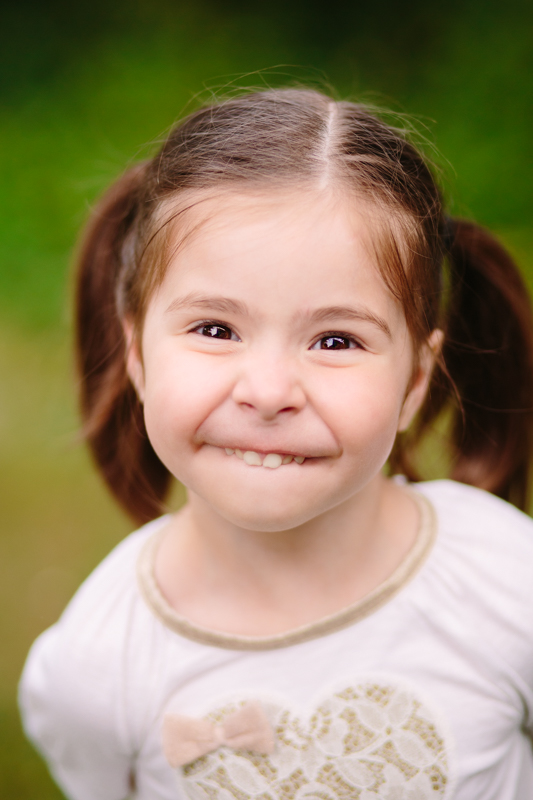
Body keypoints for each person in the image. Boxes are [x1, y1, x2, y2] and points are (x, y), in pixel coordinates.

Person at [19, 88, 533, 800]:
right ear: (136, 353)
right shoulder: (97, 663)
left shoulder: (506, 580)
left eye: (334, 340)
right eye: (215, 329)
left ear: (414, 379)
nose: (267, 391)